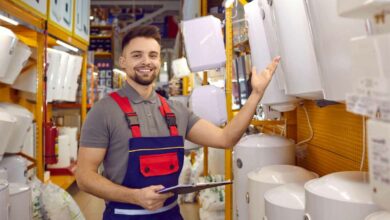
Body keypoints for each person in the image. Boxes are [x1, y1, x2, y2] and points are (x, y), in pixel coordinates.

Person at [76, 25, 280, 220]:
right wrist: (134, 196)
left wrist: (257, 93)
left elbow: (225, 138)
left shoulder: (176, 111)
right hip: (124, 216)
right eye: (137, 55)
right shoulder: (103, 111)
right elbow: (84, 177)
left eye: (152, 55)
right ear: (123, 62)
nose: (146, 61)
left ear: (159, 61)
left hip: (171, 214)